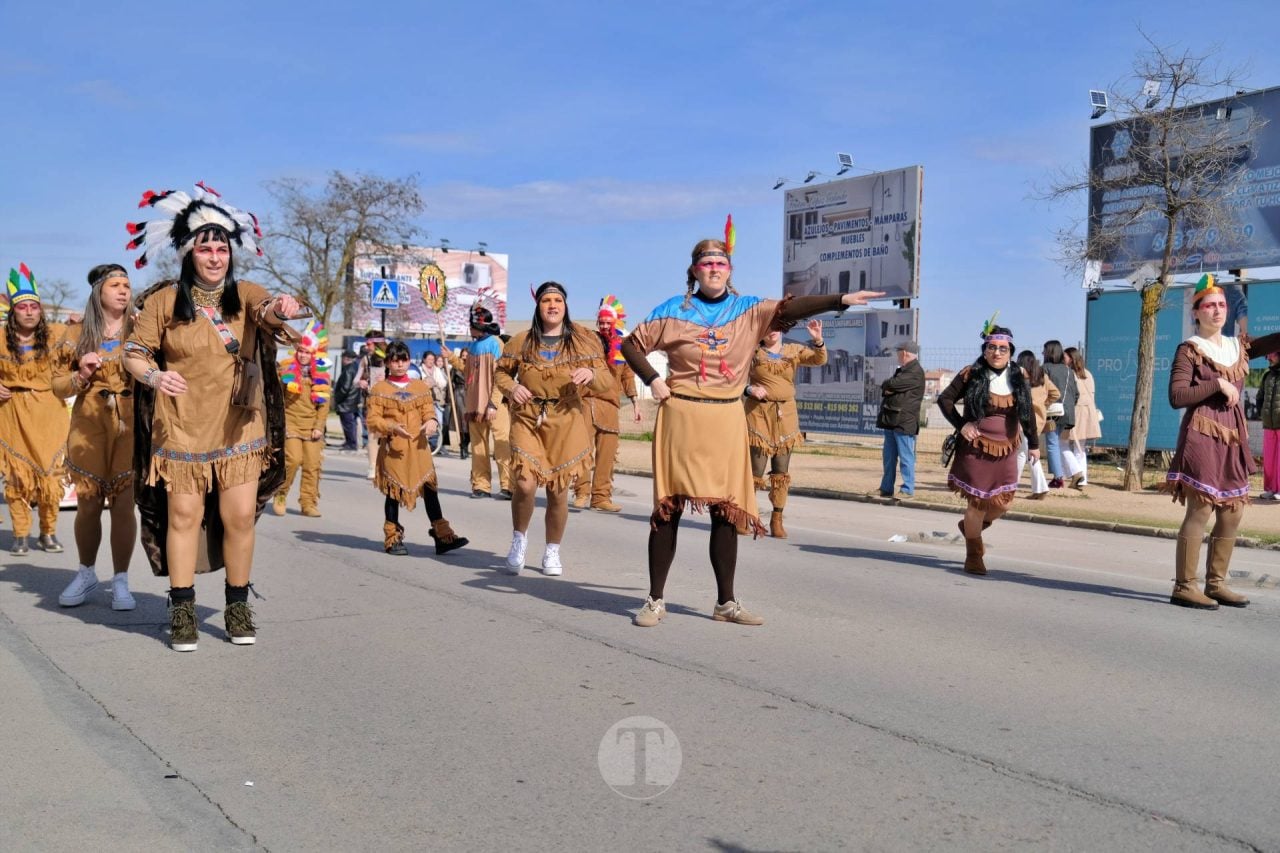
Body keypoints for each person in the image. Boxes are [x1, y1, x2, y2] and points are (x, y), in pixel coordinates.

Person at [620, 226, 884, 627]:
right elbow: (630, 345)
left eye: (720, 263)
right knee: (669, 508)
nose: (714, 268)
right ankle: (655, 600)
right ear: (694, 270)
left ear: (729, 270)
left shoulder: (749, 309)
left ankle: (725, 602)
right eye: (706, 263)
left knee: (727, 511)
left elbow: (792, 308)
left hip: (728, 417)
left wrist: (840, 300)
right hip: (681, 415)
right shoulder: (673, 310)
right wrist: (652, 379)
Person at [123, 182, 305, 651]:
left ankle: (237, 606)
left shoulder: (245, 293)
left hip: (240, 427)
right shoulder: (163, 301)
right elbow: (134, 353)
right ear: (188, 253)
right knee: (184, 516)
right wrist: (155, 376)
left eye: (222, 248)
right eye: (205, 248)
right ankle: (182, 609)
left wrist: (284, 307)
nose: (215, 256)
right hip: (181, 426)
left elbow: (270, 312)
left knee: (239, 517)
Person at [1164, 275, 1280, 609]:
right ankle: (1185, 586)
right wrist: (1217, 384)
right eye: (1209, 305)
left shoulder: (1237, 345)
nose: (1217, 310)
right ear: (1196, 312)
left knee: (1232, 511)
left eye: (1222, 305)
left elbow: (1273, 342)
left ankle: (1215, 583)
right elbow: (1177, 396)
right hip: (1201, 434)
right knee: (1201, 508)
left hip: (1233, 438)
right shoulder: (1189, 349)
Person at [494, 282, 610, 575]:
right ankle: (519, 539)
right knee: (525, 484)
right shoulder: (521, 341)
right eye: (547, 300)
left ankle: (552, 550)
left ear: (565, 306)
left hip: (566, 420)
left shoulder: (582, 342)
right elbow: (501, 373)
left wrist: (591, 373)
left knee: (558, 491)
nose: (553, 305)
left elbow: (607, 380)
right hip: (528, 418)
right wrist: (513, 388)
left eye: (558, 300)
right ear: (538, 306)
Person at [50, 264, 137, 609]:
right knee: (88, 503)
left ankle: (121, 581)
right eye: (115, 284)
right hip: (88, 426)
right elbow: (58, 386)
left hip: (130, 426)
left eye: (126, 284)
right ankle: (86, 573)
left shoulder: (141, 327)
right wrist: (81, 375)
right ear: (98, 291)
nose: (123, 290)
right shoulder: (75, 333)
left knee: (124, 504)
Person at [937, 323, 1038, 575]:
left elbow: (1027, 411)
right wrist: (962, 425)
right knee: (978, 503)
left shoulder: (1019, 376)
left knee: (1003, 504)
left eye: (1003, 348)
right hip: (976, 448)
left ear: (1010, 351)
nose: (997, 352)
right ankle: (974, 555)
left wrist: (1034, 444)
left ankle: (970, 527)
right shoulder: (972, 374)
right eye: (992, 347)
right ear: (984, 350)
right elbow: (945, 399)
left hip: (1007, 448)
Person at [367, 340, 468, 557]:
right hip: (394, 449)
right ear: (387, 363)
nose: (399, 365)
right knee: (393, 493)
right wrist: (392, 427)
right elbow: (373, 420)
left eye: (403, 360)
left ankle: (442, 536)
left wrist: (431, 421)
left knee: (430, 491)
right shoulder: (379, 389)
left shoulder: (420, 387)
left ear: (408, 361)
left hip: (419, 448)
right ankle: (392, 538)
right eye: (395, 361)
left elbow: (428, 411)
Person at [0, 264, 69, 555]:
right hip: (12, 413)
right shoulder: (0, 339)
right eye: (22, 307)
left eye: (34, 306)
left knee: (50, 476)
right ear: (13, 311)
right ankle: (20, 534)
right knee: (17, 476)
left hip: (49, 413)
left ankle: (48, 532)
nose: (29, 312)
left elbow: (79, 356)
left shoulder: (58, 334)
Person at [746, 318, 827, 537]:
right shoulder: (752, 352)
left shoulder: (794, 350)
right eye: (767, 327)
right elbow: (735, 377)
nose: (772, 331)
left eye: (776, 327)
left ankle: (777, 519)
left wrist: (818, 340)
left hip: (786, 415)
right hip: (758, 414)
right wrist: (750, 389)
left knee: (781, 470)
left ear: (782, 329)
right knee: (755, 469)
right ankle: (746, 515)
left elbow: (819, 359)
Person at [572, 295, 641, 513]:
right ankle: (581, 492)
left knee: (607, 455)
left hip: (610, 405)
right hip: (587, 402)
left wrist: (635, 402)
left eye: (607, 322)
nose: (603, 326)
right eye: (601, 322)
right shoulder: (588, 342)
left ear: (616, 322)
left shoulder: (623, 345)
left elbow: (628, 376)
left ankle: (601, 497)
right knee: (582, 450)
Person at [445, 306, 511, 499]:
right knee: (478, 447)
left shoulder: (496, 344)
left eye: (471, 325)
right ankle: (481, 486)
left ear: (478, 326)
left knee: (502, 444)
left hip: (494, 405)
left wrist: (493, 403)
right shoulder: (473, 347)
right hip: (475, 404)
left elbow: (501, 376)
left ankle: (509, 486)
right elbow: (468, 372)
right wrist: (451, 358)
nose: (469, 328)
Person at [273, 322, 330, 517]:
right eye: (301, 351)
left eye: (307, 352)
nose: (304, 355)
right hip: (291, 422)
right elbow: (278, 398)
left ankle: (308, 503)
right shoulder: (285, 370)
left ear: (314, 354)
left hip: (311, 425)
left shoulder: (322, 375)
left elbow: (324, 405)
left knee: (312, 465)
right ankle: (281, 493)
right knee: (293, 460)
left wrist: (319, 426)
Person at [876, 339, 924, 502]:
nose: (897, 355)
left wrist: (889, 386)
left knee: (906, 457)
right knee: (889, 457)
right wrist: (889, 387)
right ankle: (886, 488)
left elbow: (892, 384)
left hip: (904, 421)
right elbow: (887, 387)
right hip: (892, 419)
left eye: (898, 352)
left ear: (904, 353)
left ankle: (907, 489)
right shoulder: (903, 370)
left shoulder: (915, 371)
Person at [1014, 350, 1058, 501]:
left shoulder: (1020, 377)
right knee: (1022, 452)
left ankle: (1040, 488)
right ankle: (1011, 485)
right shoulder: (1042, 376)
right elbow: (1056, 393)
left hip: (1024, 419)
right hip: (1039, 419)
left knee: (1029, 453)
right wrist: (1043, 405)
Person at [1041, 340, 1081, 489]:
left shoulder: (1045, 368)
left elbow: (1041, 390)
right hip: (1067, 412)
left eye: (1044, 350)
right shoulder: (1069, 370)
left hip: (1051, 411)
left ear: (1049, 352)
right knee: (1057, 443)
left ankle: (1058, 478)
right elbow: (1076, 394)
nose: (1042, 353)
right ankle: (1072, 473)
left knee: (1052, 443)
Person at [1062, 346, 1102, 489]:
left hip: (1076, 411)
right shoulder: (1088, 373)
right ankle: (1081, 478)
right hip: (1088, 411)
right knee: (1080, 448)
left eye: (1065, 357)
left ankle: (1074, 473)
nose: (1063, 359)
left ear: (1071, 358)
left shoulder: (1069, 374)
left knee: (1063, 443)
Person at [1259, 350, 1280, 500]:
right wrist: (1262, 413)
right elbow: (1260, 396)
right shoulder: (1267, 376)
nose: (1268, 358)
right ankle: (1271, 489)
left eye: (1272, 354)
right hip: (1268, 424)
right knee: (1269, 459)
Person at [332, 350, 361, 452]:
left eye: (343, 358)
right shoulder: (355, 367)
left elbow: (345, 387)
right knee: (350, 423)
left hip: (347, 402)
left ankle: (351, 444)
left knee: (348, 424)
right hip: (352, 400)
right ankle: (349, 441)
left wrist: (337, 398)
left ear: (346, 358)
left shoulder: (349, 370)